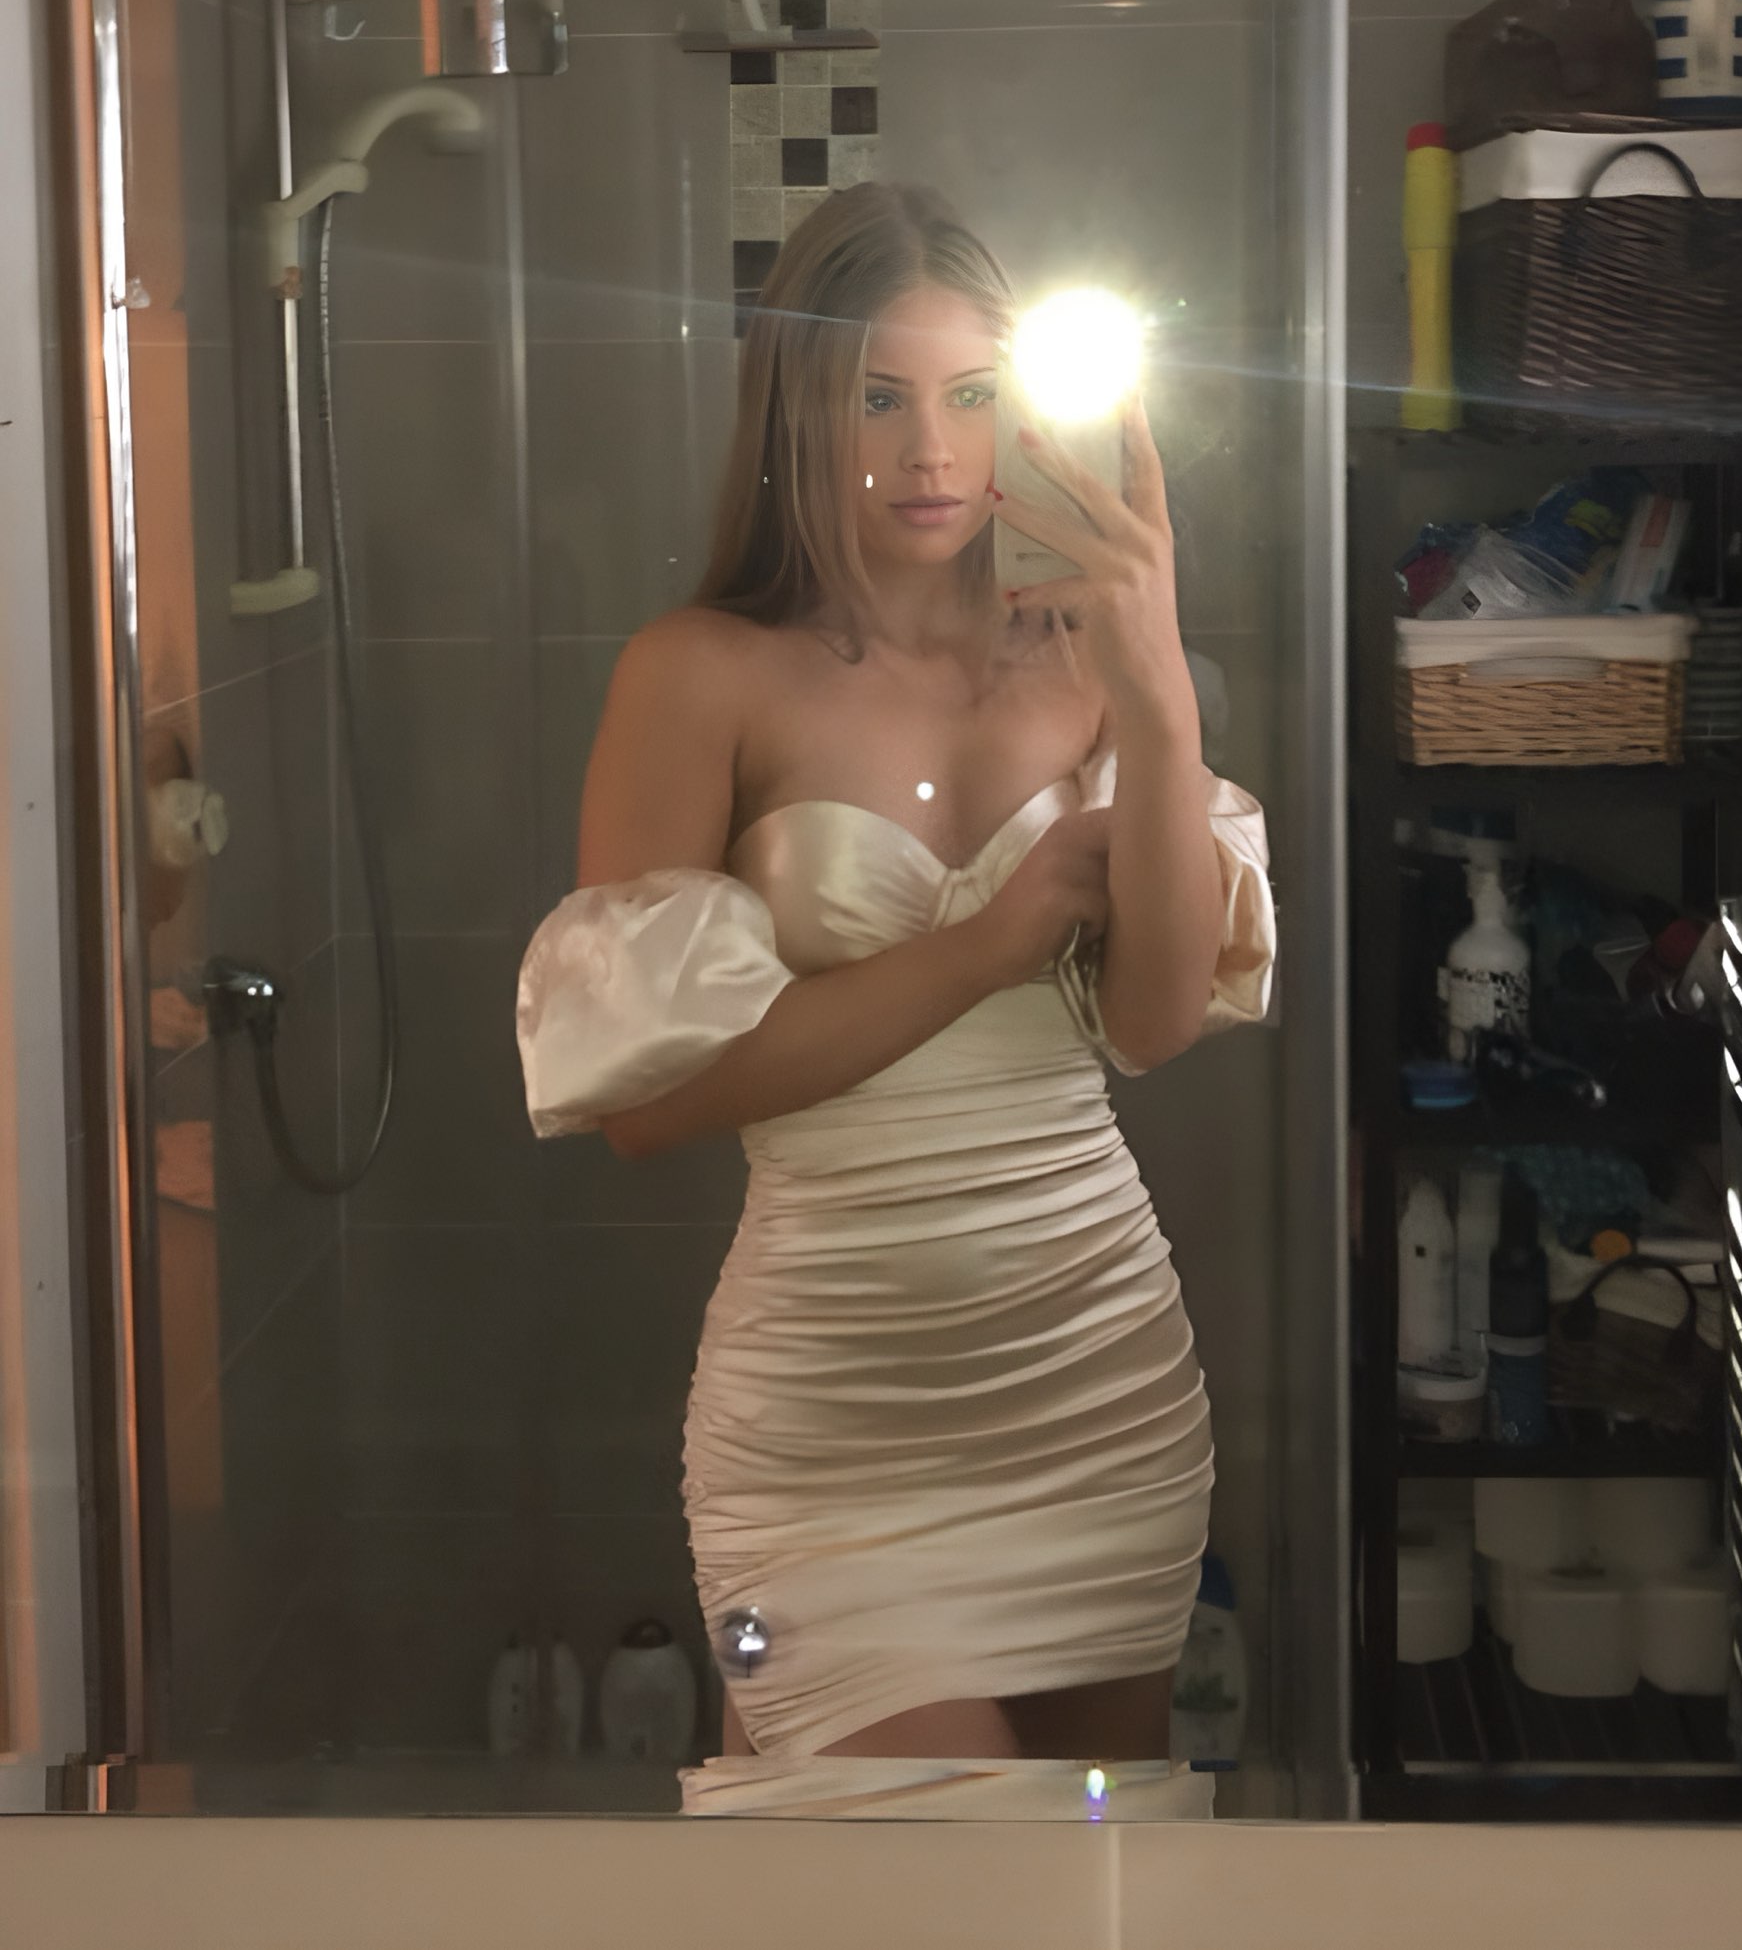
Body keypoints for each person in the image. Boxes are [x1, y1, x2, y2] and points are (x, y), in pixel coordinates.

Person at [516, 182, 1274, 1797]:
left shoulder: (1084, 664)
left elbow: (1153, 1020)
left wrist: (1154, 686)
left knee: (1093, 1880)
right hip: (826, 1422)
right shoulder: (700, 673)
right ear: (798, 407)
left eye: (970, 393)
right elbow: (645, 1103)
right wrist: (988, 943)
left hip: (1095, 1384)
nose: (931, 451)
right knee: (929, 1869)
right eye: (878, 397)